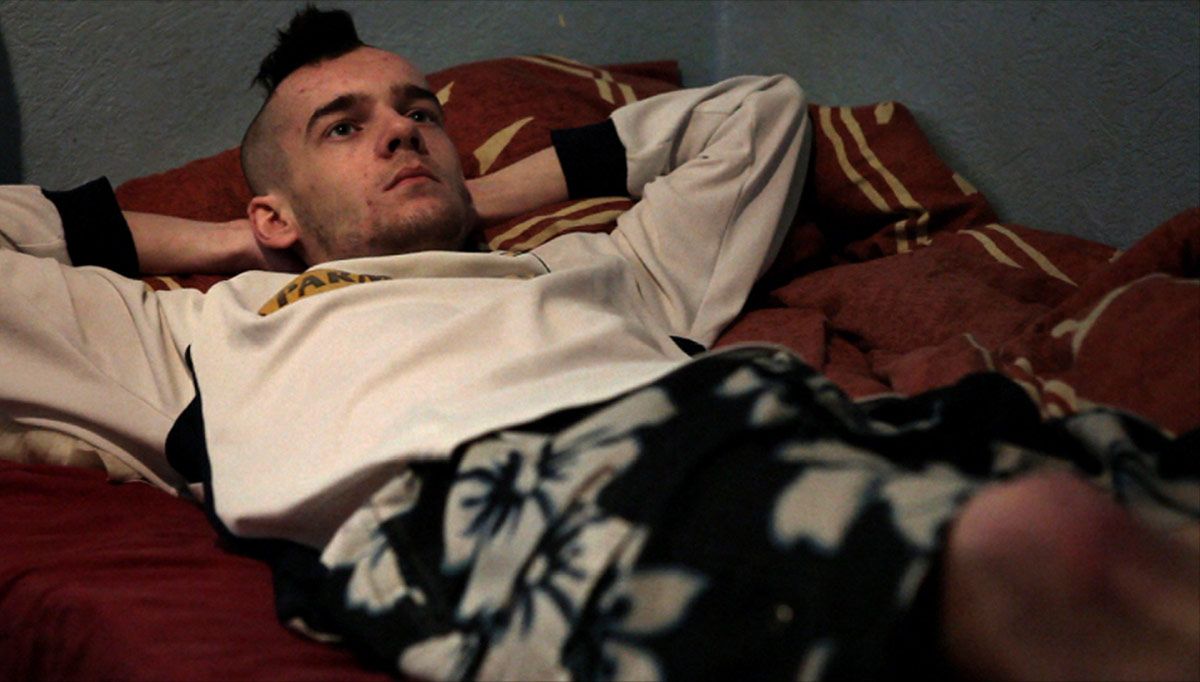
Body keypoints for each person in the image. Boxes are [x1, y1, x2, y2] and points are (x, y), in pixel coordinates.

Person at [1, 7, 1196, 681]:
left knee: (1111, 495)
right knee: (1054, 552)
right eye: (344, 128)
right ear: (274, 207)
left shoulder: (590, 267)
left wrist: (479, 196)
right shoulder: (200, 330)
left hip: (764, 420)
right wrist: (231, 239)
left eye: (421, 113)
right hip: (500, 497)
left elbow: (755, 115)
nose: (403, 134)